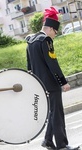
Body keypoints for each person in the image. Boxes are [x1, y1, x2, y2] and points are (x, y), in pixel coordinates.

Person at [26, 7, 80, 150]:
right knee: (58, 114)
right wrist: (63, 82)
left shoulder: (30, 41)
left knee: (52, 112)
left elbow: (29, 67)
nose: (55, 35)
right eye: (55, 32)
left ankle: (48, 141)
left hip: (40, 85)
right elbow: (53, 64)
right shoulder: (46, 40)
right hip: (51, 84)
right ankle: (62, 145)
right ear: (50, 28)